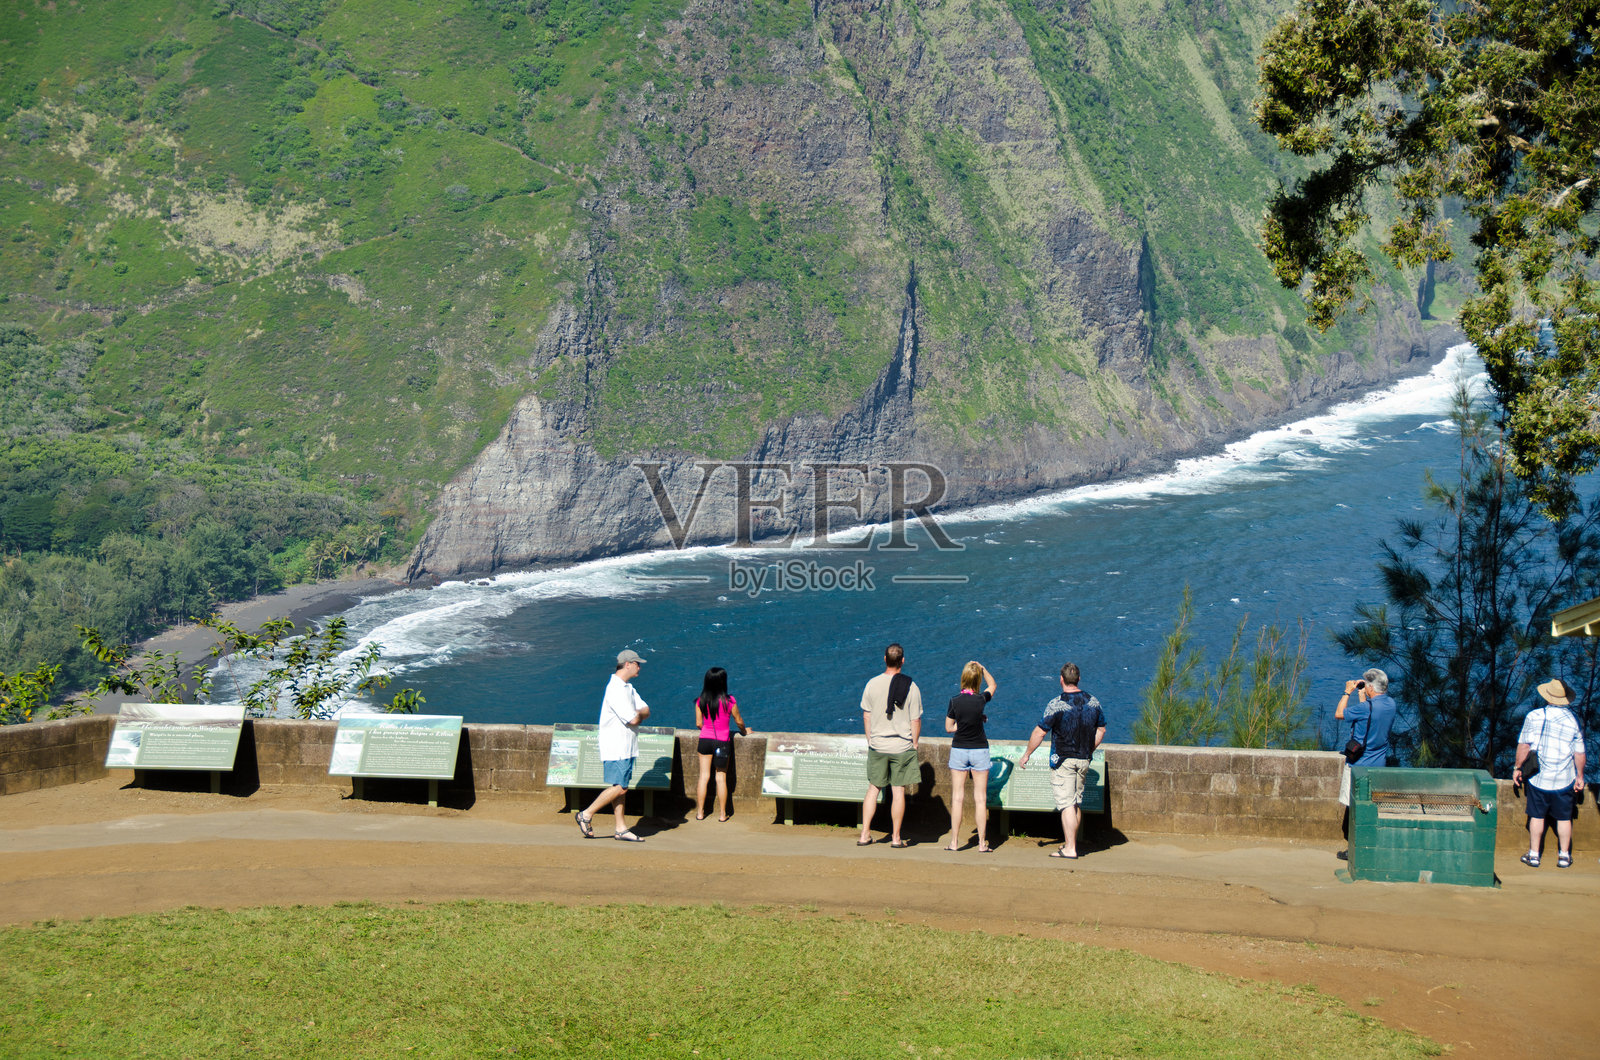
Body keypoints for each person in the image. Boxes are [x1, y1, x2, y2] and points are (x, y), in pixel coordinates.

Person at [1018, 662, 1106, 860]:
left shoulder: (1056, 703)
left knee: (1066, 804)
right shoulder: (1093, 701)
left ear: (1061, 680)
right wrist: (1089, 748)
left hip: (1063, 759)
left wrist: (1027, 754)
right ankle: (1070, 844)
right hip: (1084, 758)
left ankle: (1070, 848)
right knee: (1076, 803)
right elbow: (1102, 729)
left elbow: (1040, 732)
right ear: (1078, 679)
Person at [575, 649, 651, 842]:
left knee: (620, 786)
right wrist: (639, 715)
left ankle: (621, 828)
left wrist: (639, 715)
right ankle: (586, 814)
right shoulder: (615, 689)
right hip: (617, 746)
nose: (639, 667)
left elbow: (645, 710)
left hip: (627, 745)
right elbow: (634, 718)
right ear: (627, 664)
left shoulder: (628, 688)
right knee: (622, 788)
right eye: (637, 663)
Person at [1513, 679, 1587, 869]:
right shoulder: (1573, 720)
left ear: (1547, 696)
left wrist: (1517, 768)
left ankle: (1534, 855)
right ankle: (1564, 855)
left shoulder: (1534, 716)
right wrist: (1579, 776)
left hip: (1539, 777)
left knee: (1536, 817)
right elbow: (1579, 753)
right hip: (1564, 778)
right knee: (1564, 818)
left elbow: (1524, 746)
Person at [858, 642, 922, 848]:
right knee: (898, 791)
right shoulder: (911, 686)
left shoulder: (871, 684)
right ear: (903, 661)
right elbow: (915, 721)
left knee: (873, 789)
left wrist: (871, 740)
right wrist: (914, 743)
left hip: (878, 745)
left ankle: (864, 834)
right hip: (902, 747)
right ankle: (896, 837)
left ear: (885, 659)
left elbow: (866, 715)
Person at [945, 660, 997, 852]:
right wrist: (984, 669)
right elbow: (993, 685)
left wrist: (963, 724)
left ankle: (954, 842)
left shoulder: (954, 701)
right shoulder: (981, 699)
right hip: (979, 750)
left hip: (959, 750)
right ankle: (982, 844)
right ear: (977, 680)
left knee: (957, 798)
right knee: (980, 799)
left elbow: (949, 728)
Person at [693, 666, 750, 823]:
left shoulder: (700, 701)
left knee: (703, 777)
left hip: (704, 740)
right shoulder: (729, 701)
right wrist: (745, 732)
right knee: (721, 778)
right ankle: (722, 814)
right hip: (722, 742)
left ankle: (700, 813)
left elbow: (699, 723)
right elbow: (739, 721)